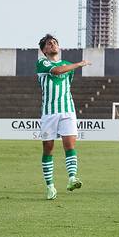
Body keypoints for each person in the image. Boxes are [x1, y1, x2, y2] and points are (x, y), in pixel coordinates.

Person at [35, 34, 89, 200]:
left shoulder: (67, 65)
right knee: (48, 148)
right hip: (49, 112)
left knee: (69, 143)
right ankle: (50, 186)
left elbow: (67, 82)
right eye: (49, 44)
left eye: (55, 42)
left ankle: (72, 178)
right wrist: (79, 64)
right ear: (44, 50)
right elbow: (57, 71)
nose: (53, 45)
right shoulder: (42, 63)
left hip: (67, 110)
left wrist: (72, 66)